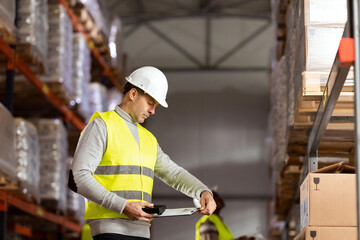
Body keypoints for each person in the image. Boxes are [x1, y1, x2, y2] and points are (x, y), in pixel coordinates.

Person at [68, 66, 217, 240]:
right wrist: (124, 206)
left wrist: (203, 192)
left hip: (141, 232)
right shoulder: (102, 125)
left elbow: (173, 173)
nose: (153, 111)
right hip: (110, 231)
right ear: (133, 94)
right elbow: (77, 178)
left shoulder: (148, 139)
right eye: (150, 103)